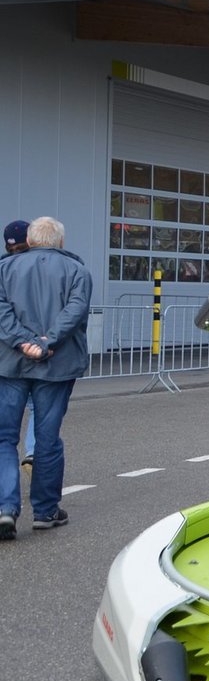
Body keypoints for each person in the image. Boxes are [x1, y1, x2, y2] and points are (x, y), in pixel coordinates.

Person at [0, 217, 92, 538]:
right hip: (57, 366)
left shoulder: (4, 269)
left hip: (10, 364)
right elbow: (75, 311)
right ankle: (45, 510)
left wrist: (22, 342)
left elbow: (2, 313)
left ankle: (5, 508)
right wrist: (46, 341)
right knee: (47, 439)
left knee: (4, 438)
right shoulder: (78, 271)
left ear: (29, 240)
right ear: (61, 242)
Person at [3, 220, 34, 469]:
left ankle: (7, 489)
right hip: (40, 352)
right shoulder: (43, 269)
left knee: (5, 432)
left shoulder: (3, 269)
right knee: (38, 408)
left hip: (8, 356)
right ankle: (33, 452)